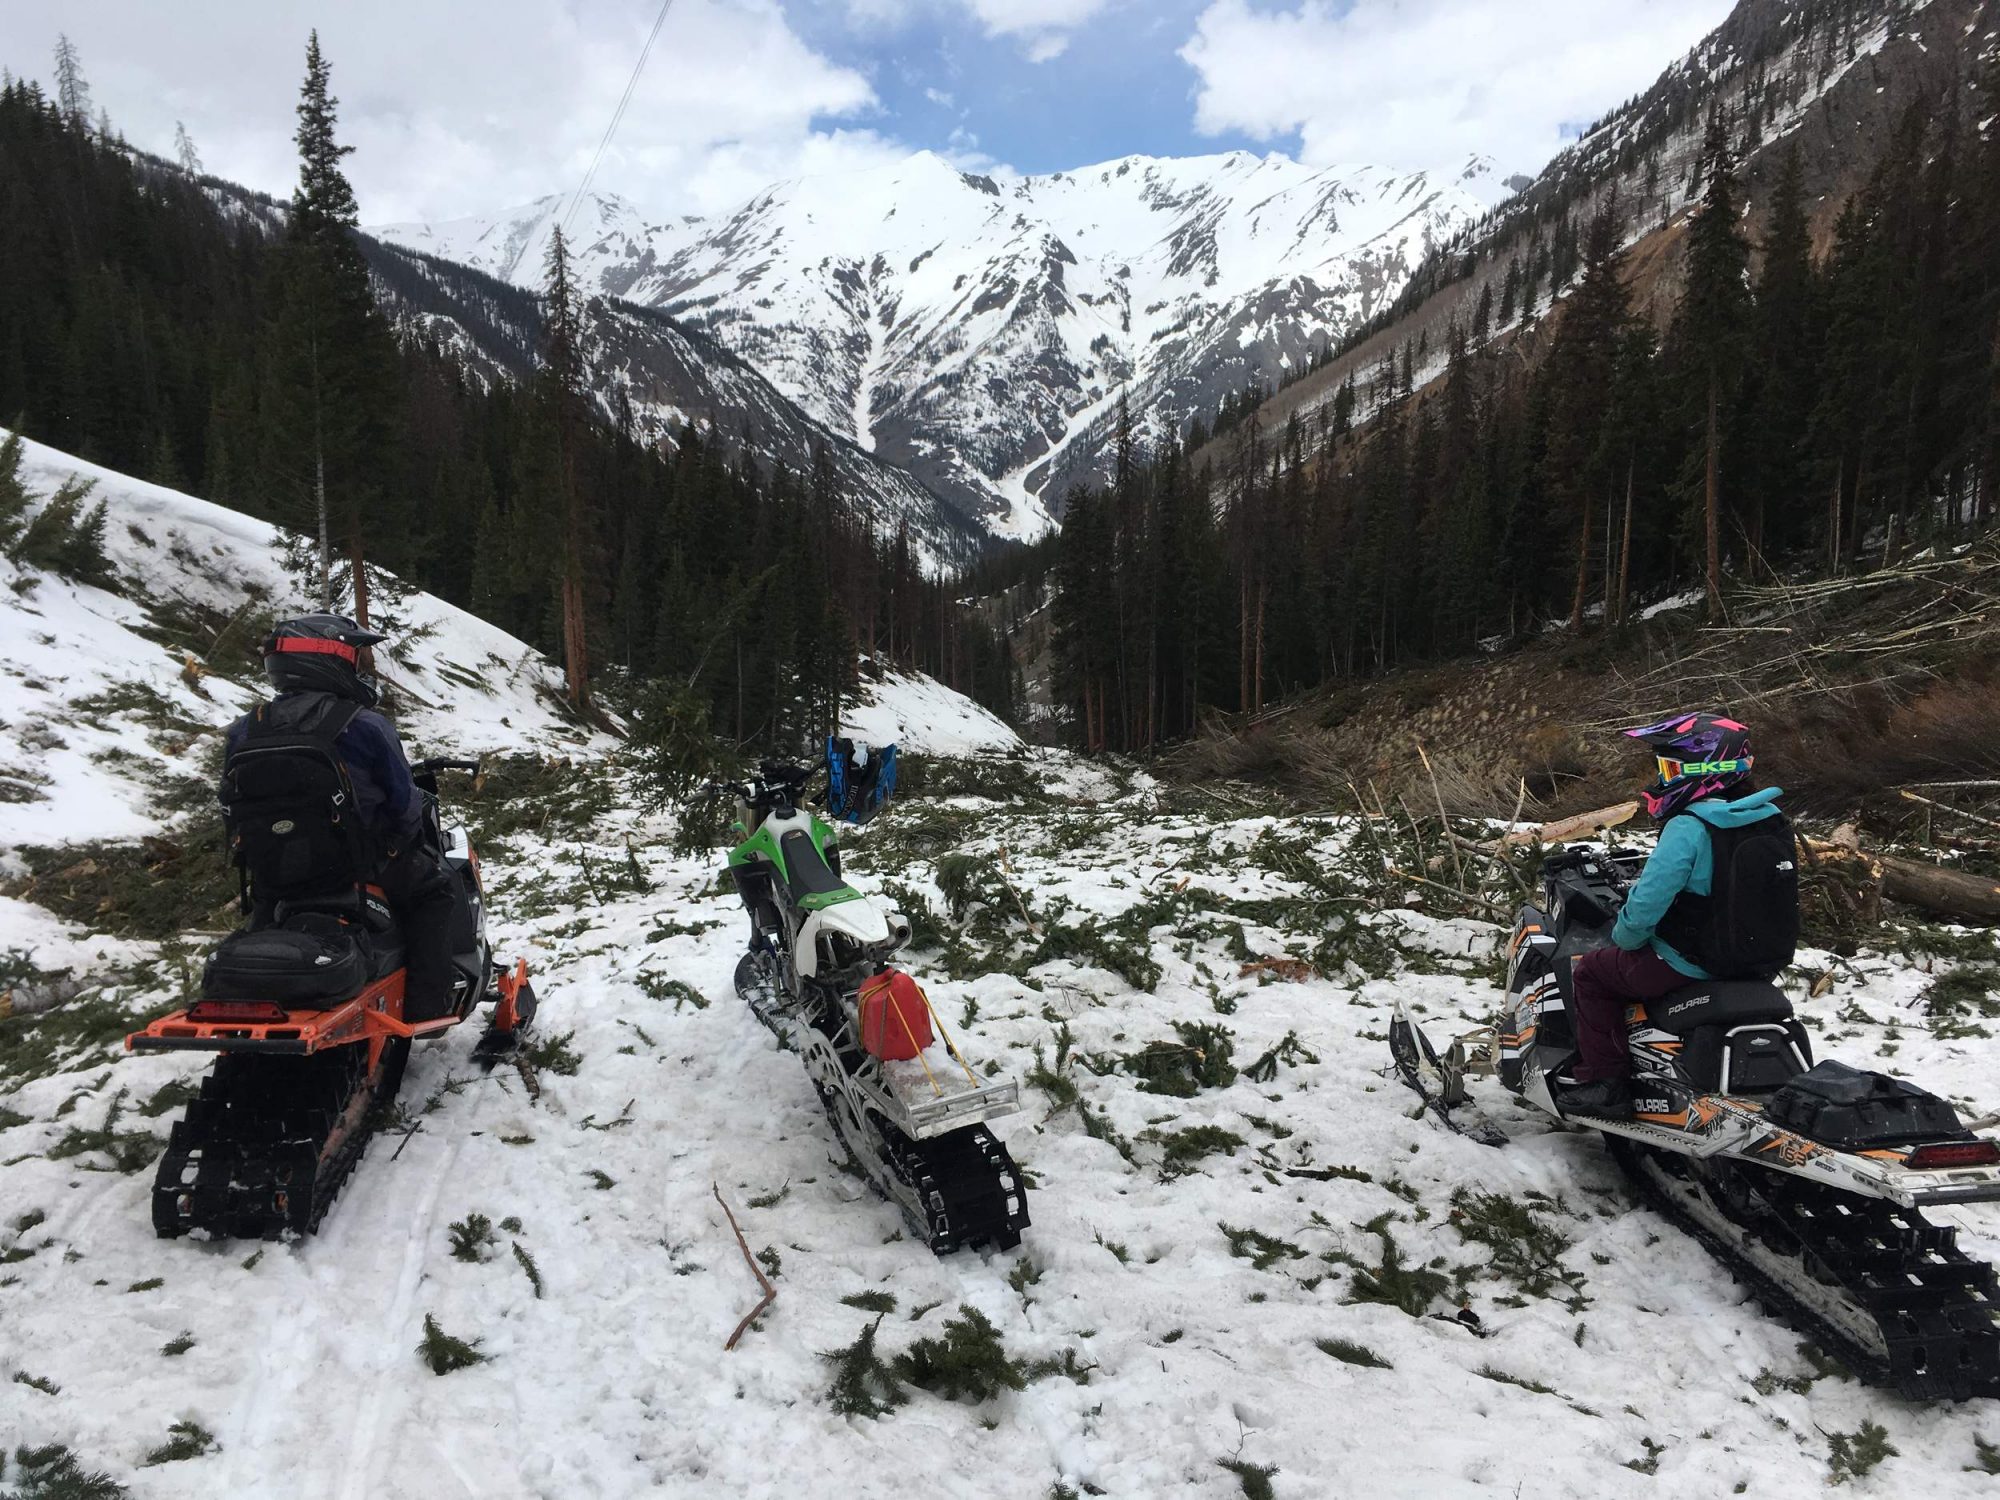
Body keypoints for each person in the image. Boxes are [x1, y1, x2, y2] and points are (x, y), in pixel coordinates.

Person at [1559, 713, 1796, 1119]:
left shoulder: (1690, 825)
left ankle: (1605, 1082)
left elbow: (1648, 904)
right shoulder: (1773, 820)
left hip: (1689, 963)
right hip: (1756, 963)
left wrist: (1625, 936)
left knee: (1592, 974)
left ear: (1709, 769)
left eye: (1671, 768)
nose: (1663, 778)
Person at [222, 614, 457, 1019]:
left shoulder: (246, 730)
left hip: (278, 877)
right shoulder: (364, 725)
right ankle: (427, 1008)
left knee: (262, 915)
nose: (357, 667)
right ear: (327, 661)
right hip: (358, 867)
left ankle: (249, 988)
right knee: (434, 892)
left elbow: (230, 806)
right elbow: (403, 806)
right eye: (353, 658)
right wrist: (402, 841)